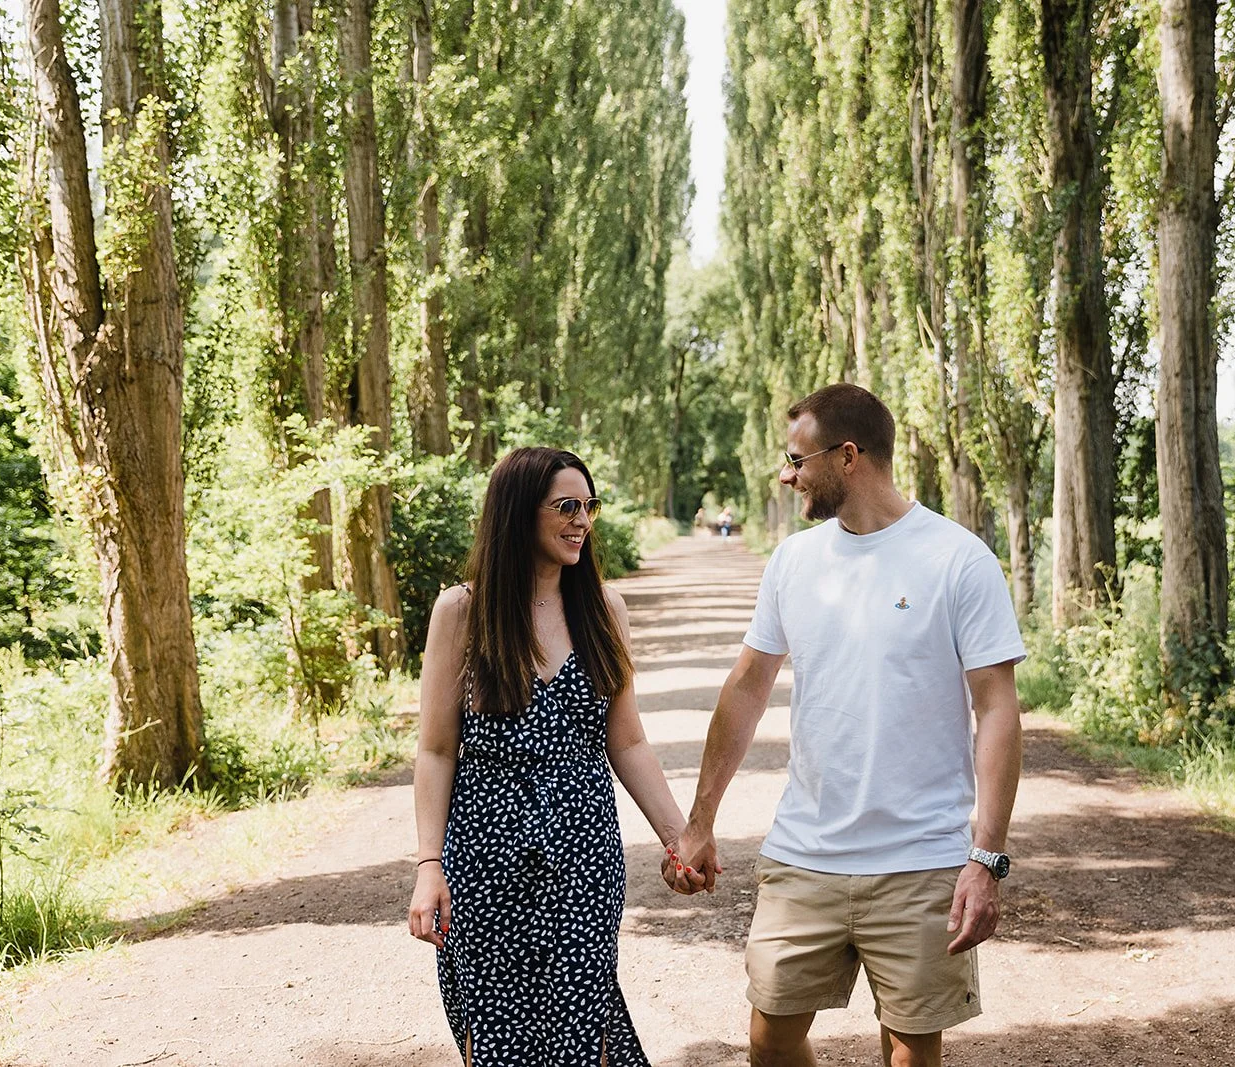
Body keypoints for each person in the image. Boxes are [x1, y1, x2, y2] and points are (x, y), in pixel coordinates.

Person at [668, 384, 1025, 1067]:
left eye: (796, 459)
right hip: (805, 853)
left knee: (912, 1052)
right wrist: (700, 819)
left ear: (848, 456)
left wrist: (986, 858)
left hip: (920, 859)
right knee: (770, 1040)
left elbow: (998, 711)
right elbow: (747, 687)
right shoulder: (794, 561)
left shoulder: (958, 559)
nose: (786, 475)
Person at [408, 446, 703, 1065]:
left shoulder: (604, 610)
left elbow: (627, 741)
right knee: (495, 1030)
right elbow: (435, 751)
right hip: (484, 863)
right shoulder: (462, 611)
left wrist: (679, 838)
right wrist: (429, 866)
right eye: (567, 506)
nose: (582, 521)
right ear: (519, 511)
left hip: (584, 858)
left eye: (589, 506)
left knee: (582, 1023)